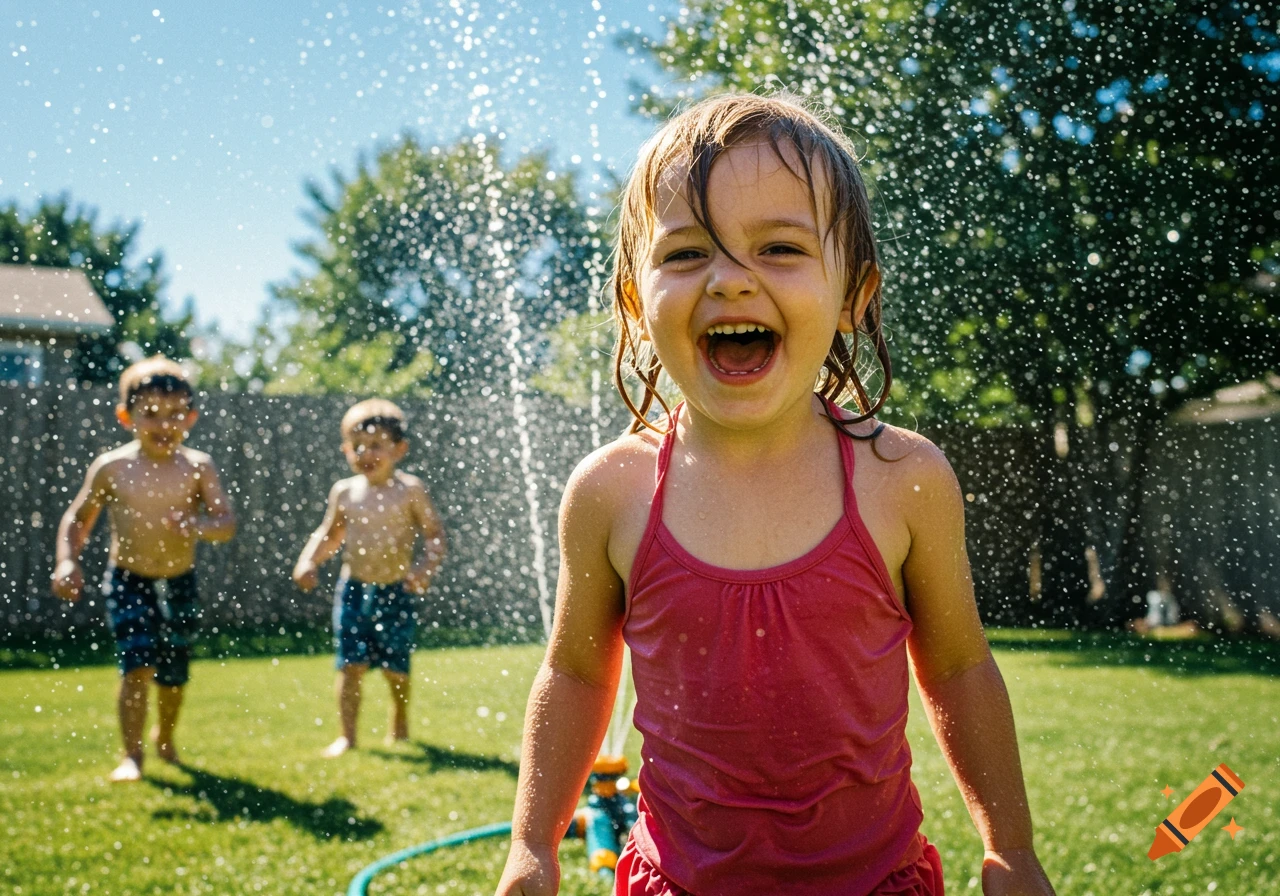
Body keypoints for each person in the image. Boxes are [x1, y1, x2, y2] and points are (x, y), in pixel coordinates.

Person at [496, 94, 1057, 895]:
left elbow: (961, 667)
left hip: (877, 883)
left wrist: (1012, 847)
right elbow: (577, 675)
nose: (730, 281)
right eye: (687, 254)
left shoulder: (904, 479)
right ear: (634, 299)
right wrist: (531, 844)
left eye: (781, 248)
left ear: (854, 296)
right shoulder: (611, 492)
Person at [51, 355, 236, 783]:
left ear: (190, 417)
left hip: (179, 580)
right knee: (136, 665)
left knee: (172, 672)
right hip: (128, 578)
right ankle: (132, 755)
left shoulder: (197, 466)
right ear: (125, 416)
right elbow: (79, 518)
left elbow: (225, 523)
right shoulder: (112, 468)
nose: (164, 425)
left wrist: (199, 526)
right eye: (150, 414)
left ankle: (165, 738)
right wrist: (67, 559)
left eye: (175, 415)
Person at [293, 398, 446, 758]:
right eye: (357, 445)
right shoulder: (345, 492)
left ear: (399, 449)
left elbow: (435, 534)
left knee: (396, 668)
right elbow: (329, 534)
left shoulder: (410, 490)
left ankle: (400, 721)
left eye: (376, 445)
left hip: (396, 589)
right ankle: (348, 736)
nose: (365, 453)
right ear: (345, 449)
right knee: (350, 665)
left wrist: (423, 570)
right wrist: (308, 561)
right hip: (354, 589)